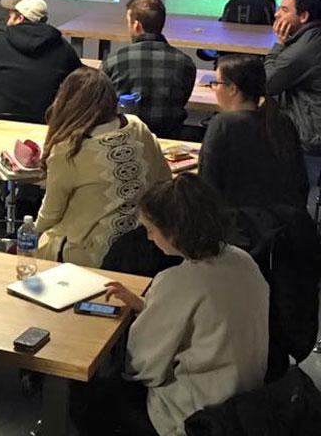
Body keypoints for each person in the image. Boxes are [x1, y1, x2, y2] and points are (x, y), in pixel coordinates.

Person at [75, 174, 269, 436]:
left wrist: (149, 314)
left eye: (151, 230)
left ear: (174, 233)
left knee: (87, 394)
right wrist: (147, 305)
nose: (149, 238)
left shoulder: (179, 281)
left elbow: (142, 366)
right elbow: (208, 320)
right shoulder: (243, 261)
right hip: (245, 399)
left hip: (196, 414)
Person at [35, 67, 171, 267]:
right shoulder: (137, 126)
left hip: (87, 252)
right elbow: (164, 180)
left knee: (38, 241)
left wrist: (30, 233)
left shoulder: (68, 150)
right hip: (143, 243)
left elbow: (50, 214)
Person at [200, 54, 307, 208]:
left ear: (232, 89)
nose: (213, 88)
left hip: (238, 226)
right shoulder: (281, 120)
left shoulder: (223, 124)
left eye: (216, 83)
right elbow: (301, 183)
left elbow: (207, 188)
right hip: (287, 225)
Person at [100, 0, 196, 138]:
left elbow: (103, 102)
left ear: (136, 25)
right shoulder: (186, 63)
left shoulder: (113, 60)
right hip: (170, 140)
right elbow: (182, 99)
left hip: (124, 139)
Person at [0, 0, 81, 122]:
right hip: (43, 122)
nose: (7, 21)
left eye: (10, 17)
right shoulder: (63, 47)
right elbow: (78, 81)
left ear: (20, 18)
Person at [264, 0, 321, 203]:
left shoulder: (306, 47)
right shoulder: (311, 38)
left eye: (285, 9)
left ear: (304, 16)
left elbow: (267, 83)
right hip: (311, 132)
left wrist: (278, 45)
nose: (277, 13)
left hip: (309, 140)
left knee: (292, 199)